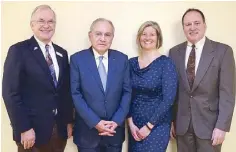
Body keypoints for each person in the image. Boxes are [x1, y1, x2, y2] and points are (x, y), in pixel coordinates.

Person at [2, 5, 73, 152]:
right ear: (32, 25)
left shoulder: (62, 53)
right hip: (31, 133)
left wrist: (68, 122)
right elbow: (10, 93)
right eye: (41, 21)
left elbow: (65, 92)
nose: (46, 25)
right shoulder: (19, 51)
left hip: (59, 133)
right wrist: (24, 128)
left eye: (51, 21)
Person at [169, 8, 235, 152]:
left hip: (210, 127)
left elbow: (227, 94)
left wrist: (222, 126)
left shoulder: (223, 51)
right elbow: (172, 92)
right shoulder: (174, 52)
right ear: (183, 28)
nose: (192, 27)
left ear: (205, 25)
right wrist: (171, 121)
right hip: (182, 127)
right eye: (188, 24)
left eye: (197, 23)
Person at [70, 18, 132, 152]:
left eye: (107, 34)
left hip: (114, 132)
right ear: (90, 36)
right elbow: (76, 94)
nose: (102, 38)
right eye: (98, 34)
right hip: (87, 134)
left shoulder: (122, 59)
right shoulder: (77, 60)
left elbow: (127, 92)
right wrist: (96, 123)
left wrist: (116, 121)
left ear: (112, 37)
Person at [128, 21, 178, 152]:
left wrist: (149, 126)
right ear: (139, 38)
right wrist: (130, 123)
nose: (147, 37)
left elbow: (169, 99)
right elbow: (125, 94)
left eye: (152, 34)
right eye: (144, 34)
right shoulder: (130, 63)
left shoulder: (166, 64)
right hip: (134, 125)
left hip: (157, 125)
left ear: (158, 38)